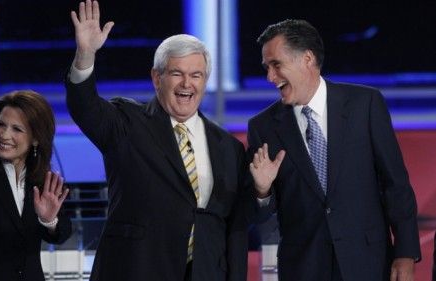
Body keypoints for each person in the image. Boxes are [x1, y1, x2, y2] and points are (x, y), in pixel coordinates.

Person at [65, 1, 248, 280]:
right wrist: (85, 56)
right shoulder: (127, 123)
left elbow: (233, 225)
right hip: (137, 270)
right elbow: (85, 107)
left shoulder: (228, 147)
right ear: (156, 78)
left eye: (196, 75)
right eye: (177, 74)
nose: (187, 84)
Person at [247, 19, 421, 281]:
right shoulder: (263, 127)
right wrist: (262, 190)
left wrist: (405, 253)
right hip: (304, 268)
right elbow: (259, 214)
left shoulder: (365, 105)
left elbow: (395, 185)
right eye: (266, 67)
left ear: (307, 58)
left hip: (368, 264)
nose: (270, 77)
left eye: (276, 65)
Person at [0, 90, 72, 281]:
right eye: (1, 125)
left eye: (17, 129)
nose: (4, 134)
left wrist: (49, 220)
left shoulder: (43, 181)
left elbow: (61, 234)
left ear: (35, 138)